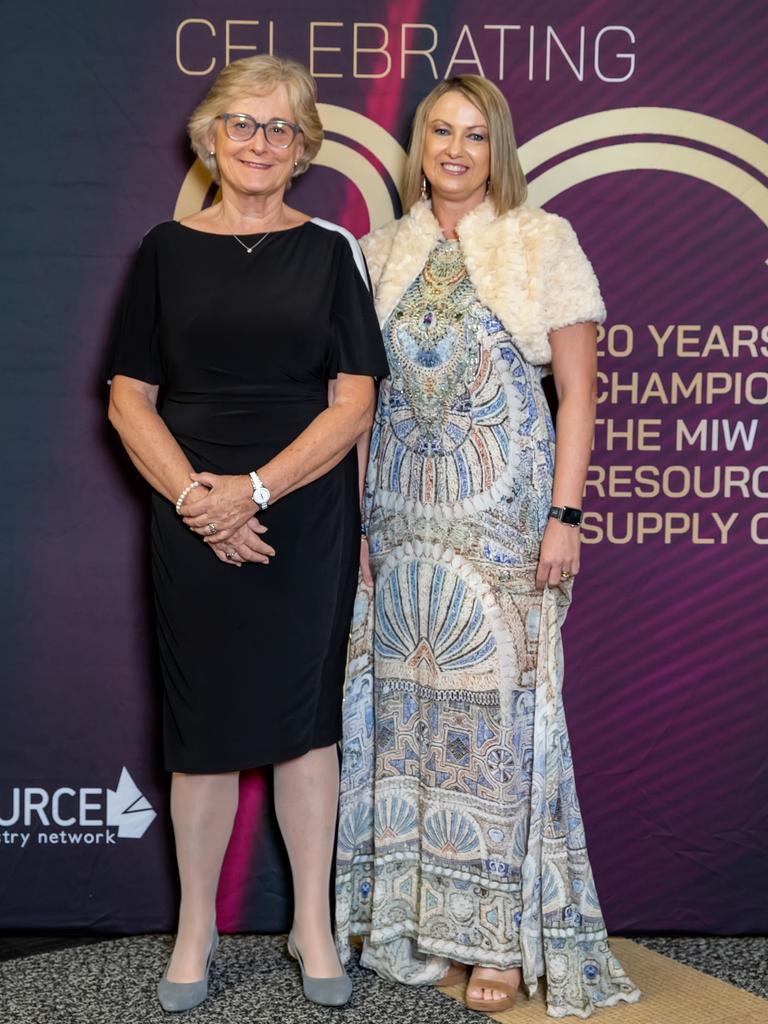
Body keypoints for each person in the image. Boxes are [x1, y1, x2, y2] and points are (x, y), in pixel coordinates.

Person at [335, 76, 641, 1018]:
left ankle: (497, 939)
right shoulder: (381, 251)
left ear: (497, 146)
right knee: (406, 721)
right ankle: (413, 924)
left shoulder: (542, 241)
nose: (456, 149)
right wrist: (355, 529)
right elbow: (357, 409)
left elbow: (580, 396)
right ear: (417, 140)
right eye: (440, 130)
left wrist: (566, 516)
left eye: (475, 134)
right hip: (397, 522)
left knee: (499, 731)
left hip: (504, 523)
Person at [108, 54, 388, 1012]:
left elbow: (355, 402)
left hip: (303, 514)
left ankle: (312, 922)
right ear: (211, 137)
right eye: (243, 123)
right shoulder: (163, 251)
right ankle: (195, 931)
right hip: (189, 515)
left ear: (304, 147)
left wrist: (257, 491)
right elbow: (128, 399)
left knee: (307, 732)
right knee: (204, 734)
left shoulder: (331, 251)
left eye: (280, 127)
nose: (260, 141)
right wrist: (200, 500)